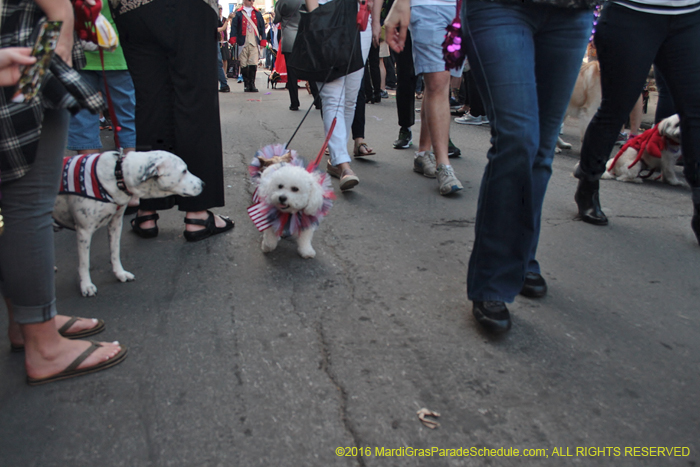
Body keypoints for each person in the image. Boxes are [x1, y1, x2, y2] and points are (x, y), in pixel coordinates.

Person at [388, 0, 596, 332]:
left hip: (572, 10)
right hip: (500, 7)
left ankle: (523, 254)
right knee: (517, 138)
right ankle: (493, 277)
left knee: (541, 147)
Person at [1, 0, 127, 385]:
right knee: (28, 203)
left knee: (17, 199)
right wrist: (62, 26)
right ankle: (43, 343)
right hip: (32, 43)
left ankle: (29, 321)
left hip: (19, 42)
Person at [573, 0, 700, 248]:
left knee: (695, 113)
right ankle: (588, 182)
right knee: (615, 106)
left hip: (690, 14)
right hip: (631, 13)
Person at [113, 0, 235, 242]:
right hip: (190, 7)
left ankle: (147, 209)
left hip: (132, 8)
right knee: (195, 101)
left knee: (150, 104)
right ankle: (197, 214)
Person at [384, 0, 464, 196]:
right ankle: (443, 165)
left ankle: (423, 152)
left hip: (465, 9)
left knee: (439, 84)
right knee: (438, 80)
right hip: (429, 6)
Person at [304, 0, 372, 192]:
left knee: (350, 98)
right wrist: (317, 17)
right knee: (333, 96)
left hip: (360, 17)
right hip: (327, 14)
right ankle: (343, 164)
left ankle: (336, 159)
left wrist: (375, 21)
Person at [67, 1, 136, 156]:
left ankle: (88, 174)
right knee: (127, 118)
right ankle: (130, 172)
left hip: (77, 54)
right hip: (117, 52)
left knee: (83, 122)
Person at [230, 0, 267, 93]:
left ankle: (252, 84)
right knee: (243, 63)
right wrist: (233, 39)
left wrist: (263, 41)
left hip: (254, 41)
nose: (252, 1)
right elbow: (234, 27)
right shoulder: (238, 13)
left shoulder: (258, 13)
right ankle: (246, 84)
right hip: (242, 42)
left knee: (253, 62)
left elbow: (262, 28)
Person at [274, 0, 304, 111]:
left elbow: (276, 19)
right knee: (310, 69)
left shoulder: (282, 2)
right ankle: (317, 100)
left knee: (291, 74)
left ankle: (294, 103)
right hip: (303, 38)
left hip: (289, 39)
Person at [218, 5, 232, 93]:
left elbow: (222, 28)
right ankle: (224, 84)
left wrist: (228, 19)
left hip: (218, 42)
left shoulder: (219, 19)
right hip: (215, 41)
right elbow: (222, 28)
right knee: (218, 63)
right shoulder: (214, 17)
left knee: (221, 61)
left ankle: (224, 84)